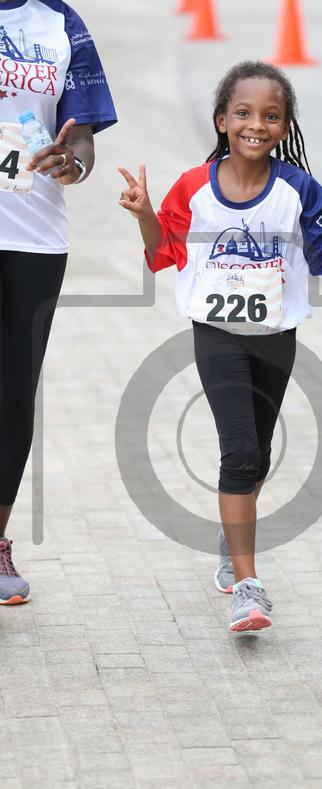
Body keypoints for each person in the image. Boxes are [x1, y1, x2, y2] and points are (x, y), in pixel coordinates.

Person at [118, 60, 322, 632]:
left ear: (285, 125)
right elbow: (164, 252)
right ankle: (248, 589)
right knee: (241, 452)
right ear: (222, 120)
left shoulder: (299, 190)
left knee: (260, 454)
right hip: (217, 334)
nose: (257, 124)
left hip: (275, 336)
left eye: (271, 116)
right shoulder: (193, 187)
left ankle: (233, 539)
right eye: (244, 113)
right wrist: (145, 214)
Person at [0, 0, 117, 604]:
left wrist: (73, 164)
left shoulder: (62, 24)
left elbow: (83, 140)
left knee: (11, 393)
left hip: (33, 238)